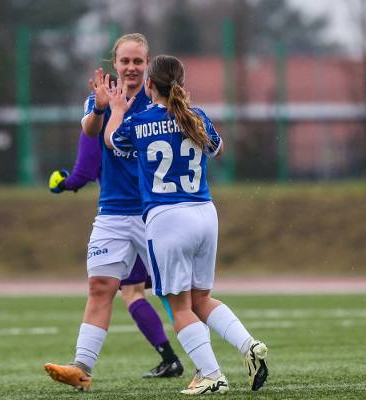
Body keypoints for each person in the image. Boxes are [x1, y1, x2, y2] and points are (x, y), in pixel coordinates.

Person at [103, 55, 269, 395]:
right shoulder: (197, 116)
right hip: (205, 212)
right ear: (181, 85)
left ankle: (211, 374)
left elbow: (110, 141)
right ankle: (248, 345)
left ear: (149, 85)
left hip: (167, 218)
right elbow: (217, 150)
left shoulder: (139, 121)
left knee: (179, 305)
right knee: (201, 299)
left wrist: (117, 109)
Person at [44, 33, 183, 392]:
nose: (132, 68)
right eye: (125, 61)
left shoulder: (158, 101)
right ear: (115, 64)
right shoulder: (101, 96)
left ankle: (215, 364)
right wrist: (100, 109)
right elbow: (90, 133)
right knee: (100, 287)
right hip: (111, 213)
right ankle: (81, 368)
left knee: (182, 293)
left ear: (148, 65)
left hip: (155, 212)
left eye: (138, 61)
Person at [48, 132, 182, 379]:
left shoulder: (101, 119)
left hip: (132, 216)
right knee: (172, 291)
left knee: (142, 292)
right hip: (157, 212)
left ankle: (174, 358)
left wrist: (62, 183)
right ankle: (188, 360)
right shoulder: (148, 113)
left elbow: (83, 173)